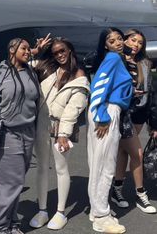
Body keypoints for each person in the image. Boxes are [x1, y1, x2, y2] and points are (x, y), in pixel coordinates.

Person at [29, 37, 90, 230]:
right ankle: (42, 210)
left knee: (61, 169)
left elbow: (74, 108)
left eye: (62, 51)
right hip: (41, 124)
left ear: (70, 50)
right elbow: (20, 64)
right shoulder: (47, 68)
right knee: (41, 167)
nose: (60, 55)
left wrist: (63, 133)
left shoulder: (79, 75)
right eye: (55, 52)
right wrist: (34, 52)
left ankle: (61, 212)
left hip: (61, 128)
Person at [0, 38, 40, 234]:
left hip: (28, 133)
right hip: (7, 134)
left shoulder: (31, 72)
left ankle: (12, 224)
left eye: (28, 49)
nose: (28, 51)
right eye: (23, 48)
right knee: (9, 184)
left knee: (17, 183)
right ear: (12, 50)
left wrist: (37, 48)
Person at [87, 27, 133, 234]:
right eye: (112, 40)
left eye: (119, 39)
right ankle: (101, 217)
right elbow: (98, 85)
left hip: (106, 110)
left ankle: (97, 209)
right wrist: (102, 117)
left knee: (98, 163)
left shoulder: (114, 59)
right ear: (105, 44)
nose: (118, 42)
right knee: (106, 166)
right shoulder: (113, 59)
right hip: (107, 111)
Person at [112, 29, 157, 214]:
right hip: (122, 113)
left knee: (123, 151)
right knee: (136, 154)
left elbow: (152, 93)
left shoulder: (145, 63)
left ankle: (117, 189)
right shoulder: (115, 60)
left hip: (139, 113)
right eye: (132, 40)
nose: (136, 45)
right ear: (125, 40)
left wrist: (154, 124)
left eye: (139, 42)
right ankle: (140, 193)